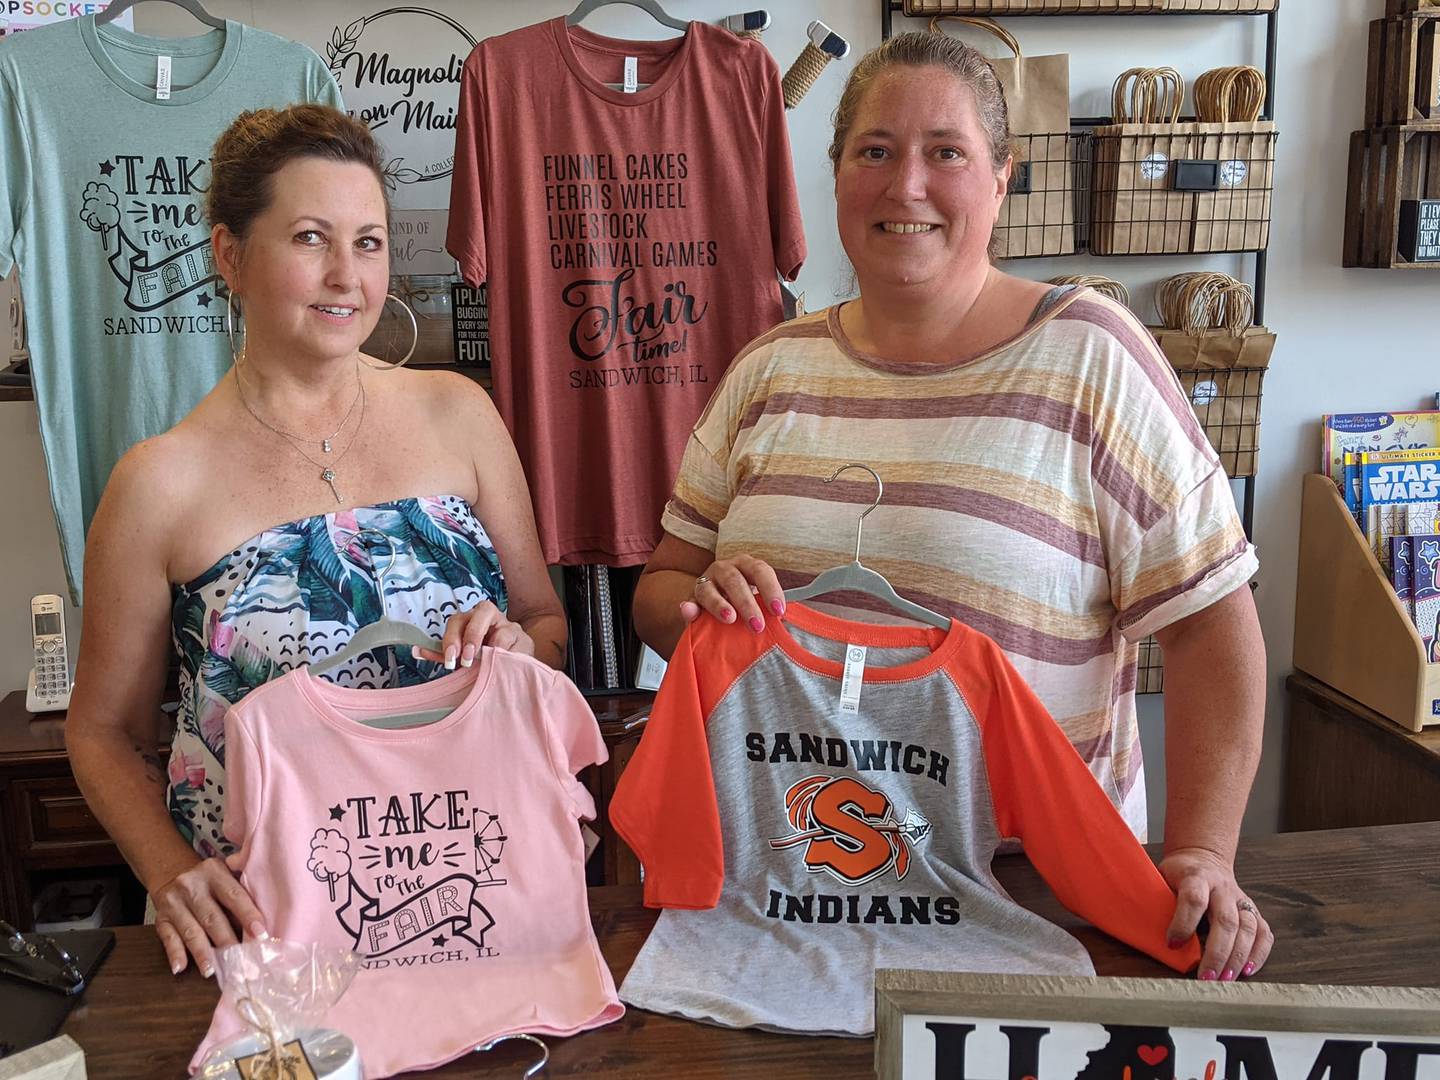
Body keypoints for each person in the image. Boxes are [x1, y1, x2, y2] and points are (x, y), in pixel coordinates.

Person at [631, 33, 1270, 983]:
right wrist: (701, 601)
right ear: (837, 172)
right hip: (789, 883)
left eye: (947, 152)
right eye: (875, 151)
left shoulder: (1090, 355)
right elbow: (661, 590)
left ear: (1002, 180)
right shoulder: (769, 370)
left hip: (1034, 895)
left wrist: (1202, 853)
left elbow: (1214, 627)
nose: (907, 186)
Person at [65, 105, 565, 980]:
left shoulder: (462, 413)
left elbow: (542, 621)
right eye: (310, 238)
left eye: (369, 242)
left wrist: (521, 647)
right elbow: (102, 731)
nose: (347, 276)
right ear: (230, 256)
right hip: (264, 923)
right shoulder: (159, 482)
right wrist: (171, 872)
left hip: (471, 888)